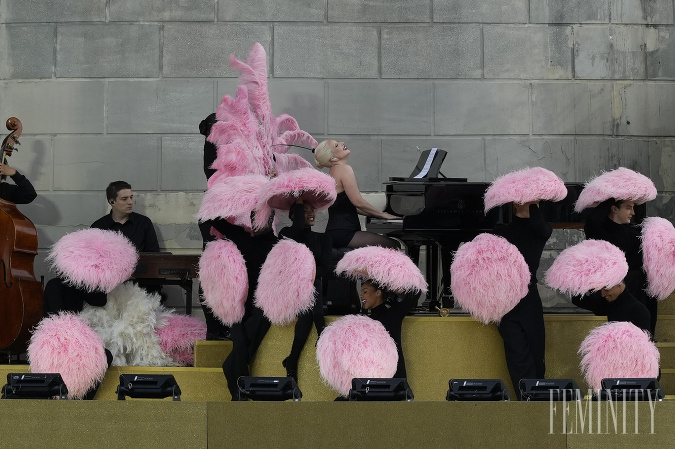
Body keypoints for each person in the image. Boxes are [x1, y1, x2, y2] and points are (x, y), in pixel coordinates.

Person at [493, 202, 549, 400]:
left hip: (530, 298)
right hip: (506, 300)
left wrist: (532, 204)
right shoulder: (501, 233)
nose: (537, 203)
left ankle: (538, 403)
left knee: (536, 356)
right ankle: (526, 404)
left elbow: (540, 227)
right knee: (518, 358)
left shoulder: (540, 230)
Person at [584, 198, 657, 336]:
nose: (633, 213)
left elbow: (637, 268)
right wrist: (614, 196)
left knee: (643, 278)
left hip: (625, 291)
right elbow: (592, 220)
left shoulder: (634, 236)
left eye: (633, 208)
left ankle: (647, 335)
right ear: (614, 209)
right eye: (628, 208)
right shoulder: (598, 230)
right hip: (602, 291)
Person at [278, 200, 332, 381]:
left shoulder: (324, 238)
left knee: (313, 287)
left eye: (313, 210)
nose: (311, 214)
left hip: (312, 291)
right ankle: (322, 330)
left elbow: (325, 268)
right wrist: (299, 201)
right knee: (312, 285)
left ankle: (292, 360)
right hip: (290, 290)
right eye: (305, 211)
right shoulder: (287, 234)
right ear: (294, 216)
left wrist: (308, 272)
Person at [314, 140, 400, 249]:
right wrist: (382, 215)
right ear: (333, 158)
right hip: (345, 233)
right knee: (394, 245)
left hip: (337, 231)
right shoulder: (344, 169)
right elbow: (358, 202)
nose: (342, 143)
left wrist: (373, 214)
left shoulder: (333, 171)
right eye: (337, 145)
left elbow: (348, 206)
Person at [359, 280, 417, 379]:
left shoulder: (393, 313)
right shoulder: (364, 321)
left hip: (395, 378)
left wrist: (387, 282)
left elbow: (414, 292)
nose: (361, 296)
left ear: (378, 293)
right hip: (372, 377)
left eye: (365, 292)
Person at [91, 181, 159, 253]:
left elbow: (154, 255)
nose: (130, 202)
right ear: (112, 201)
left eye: (131, 197)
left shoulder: (144, 223)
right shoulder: (98, 227)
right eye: (124, 199)